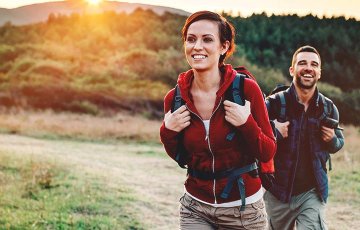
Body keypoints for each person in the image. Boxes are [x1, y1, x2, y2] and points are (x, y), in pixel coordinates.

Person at [159, 11, 276, 229]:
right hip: (195, 207)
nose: (197, 46)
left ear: (224, 47)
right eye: (191, 39)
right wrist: (168, 131)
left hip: (243, 212)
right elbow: (181, 157)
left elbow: (267, 151)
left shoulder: (245, 90)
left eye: (207, 39)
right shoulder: (174, 98)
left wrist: (246, 124)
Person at [264, 45, 345, 230]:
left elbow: (339, 142)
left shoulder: (328, 107)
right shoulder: (275, 103)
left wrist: (332, 139)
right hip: (277, 192)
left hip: (312, 192)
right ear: (292, 69)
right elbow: (254, 137)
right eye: (302, 63)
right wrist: (273, 129)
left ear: (319, 72)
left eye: (314, 64)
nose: (308, 68)